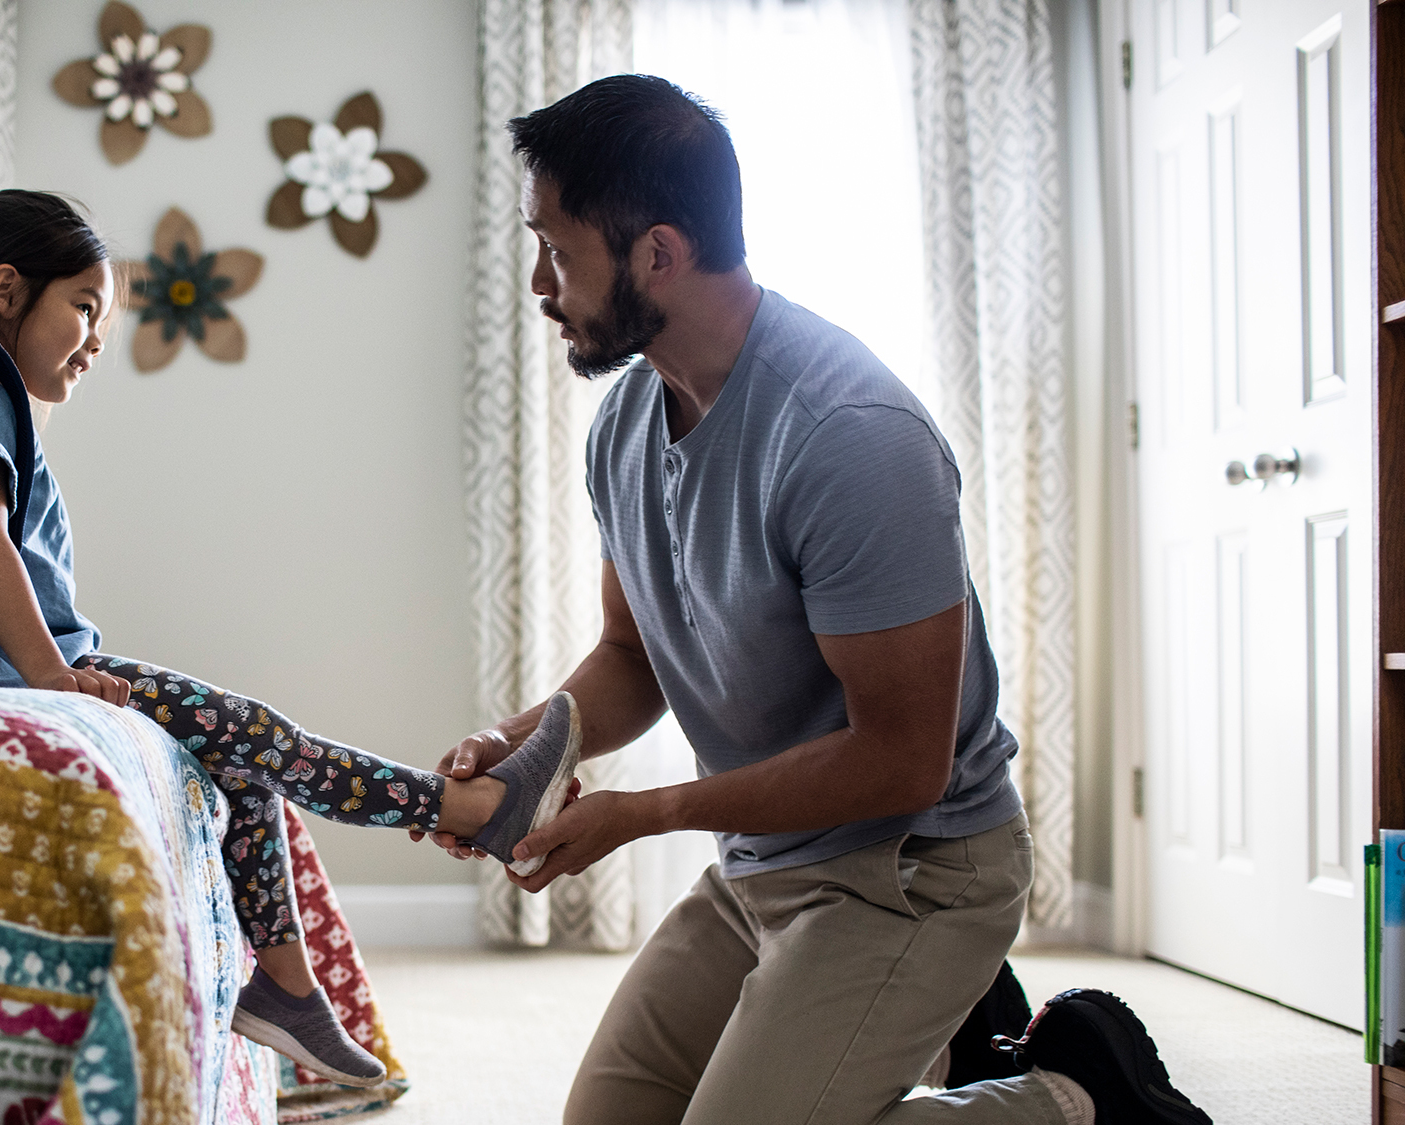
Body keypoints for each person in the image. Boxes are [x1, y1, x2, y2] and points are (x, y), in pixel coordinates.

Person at [425, 76, 1213, 1125]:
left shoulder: (849, 435)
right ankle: (947, 1033)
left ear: (657, 254)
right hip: (762, 867)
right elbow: (632, 655)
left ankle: (1077, 1098)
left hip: (915, 868)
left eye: (557, 251)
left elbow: (903, 760)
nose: (538, 283)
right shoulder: (625, 424)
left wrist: (646, 815)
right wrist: (522, 748)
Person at [0, 190, 583, 1087]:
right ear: (7, 290)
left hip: (23, 664)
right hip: (16, 670)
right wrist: (53, 675)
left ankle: (287, 988)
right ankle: (467, 809)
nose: (96, 340)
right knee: (261, 733)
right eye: (83, 307)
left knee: (243, 760)